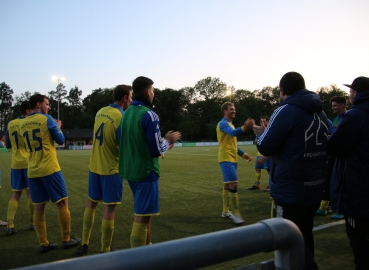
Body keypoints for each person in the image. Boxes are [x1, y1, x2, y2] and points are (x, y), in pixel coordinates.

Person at [254, 72, 329, 270]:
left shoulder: (285, 110)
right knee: (304, 238)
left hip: (290, 190)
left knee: (286, 244)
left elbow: (265, 147)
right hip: (313, 189)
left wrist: (261, 135)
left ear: (283, 90)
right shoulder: (320, 112)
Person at [118, 76, 181, 247]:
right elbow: (155, 150)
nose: (153, 94)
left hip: (130, 170)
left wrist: (163, 144)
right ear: (147, 92)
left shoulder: (126, 114)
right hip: (146, 171)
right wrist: (168, 140)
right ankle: (137, 258)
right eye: (153, 91)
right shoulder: (149, 115)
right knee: (142, 216)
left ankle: (147, 249)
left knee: (144, 214)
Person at [19, 94, 81, 253]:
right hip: (49, 168)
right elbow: (60, 140)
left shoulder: (22, 123)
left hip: (32, 170)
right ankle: (66, 239)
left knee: (39, 207)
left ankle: (43, 243)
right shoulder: (47, 119)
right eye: (47, 104)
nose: (49, 107)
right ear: (38, 104)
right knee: (62, 203)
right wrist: (58, 127)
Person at [76, 85, 132, 255]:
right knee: (109, 209)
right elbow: (125, 147)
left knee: (91, 203)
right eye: (130, 97)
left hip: (94, 166)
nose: (131, 100)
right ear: (124, 98)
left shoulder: (100, 111)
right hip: (111, 169)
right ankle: (105, 249)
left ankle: (84, 243)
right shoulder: (122, 116)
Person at [327, 76, 369, 270]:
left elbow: (335, 146)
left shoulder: (355, 115)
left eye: (351, 91)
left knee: (359, 237)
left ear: (355, 93)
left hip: (358, 188)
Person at [216, 102, 253, 225]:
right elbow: (233, 133)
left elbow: (233, 146)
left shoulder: (230, 124)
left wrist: (243, 154)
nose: (234, 111)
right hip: (226, 159)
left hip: (232, 159)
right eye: (231, 109)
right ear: (224, 111)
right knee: (234, 185)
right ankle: (237, 215)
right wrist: (244, 127)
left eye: (234, 109)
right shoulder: (223, 124)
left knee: (227, 185)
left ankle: (225, 211)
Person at [5, 101, 34, 235]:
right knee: (30, 194)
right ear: (27, 111)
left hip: (15, 164)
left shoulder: (11, 124)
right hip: (29, 163)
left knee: (16, 194)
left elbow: (8, 145)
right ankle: (33, 222)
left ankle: (10, 224)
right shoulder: (29, 123)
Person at [316, 96, 347, 219]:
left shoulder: (348, 117)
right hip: (332, 154)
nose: (333, 108)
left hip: (342, 154)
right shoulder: (335, 120)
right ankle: (325, 207)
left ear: (343, 105)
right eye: (332, 105)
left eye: (335, 105)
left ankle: (342, 209)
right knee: (328, 178)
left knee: (341, 181)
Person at [248, 116, 271, 191]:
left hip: (267, 154)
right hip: (260, 153)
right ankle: (257, 184)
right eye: (261, 122)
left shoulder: (270, 130)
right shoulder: (260, 131)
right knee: (257, 168)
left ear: (267, 122)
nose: (263, 123)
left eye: (264, 121)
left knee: (269, 170)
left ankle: (270, 185)